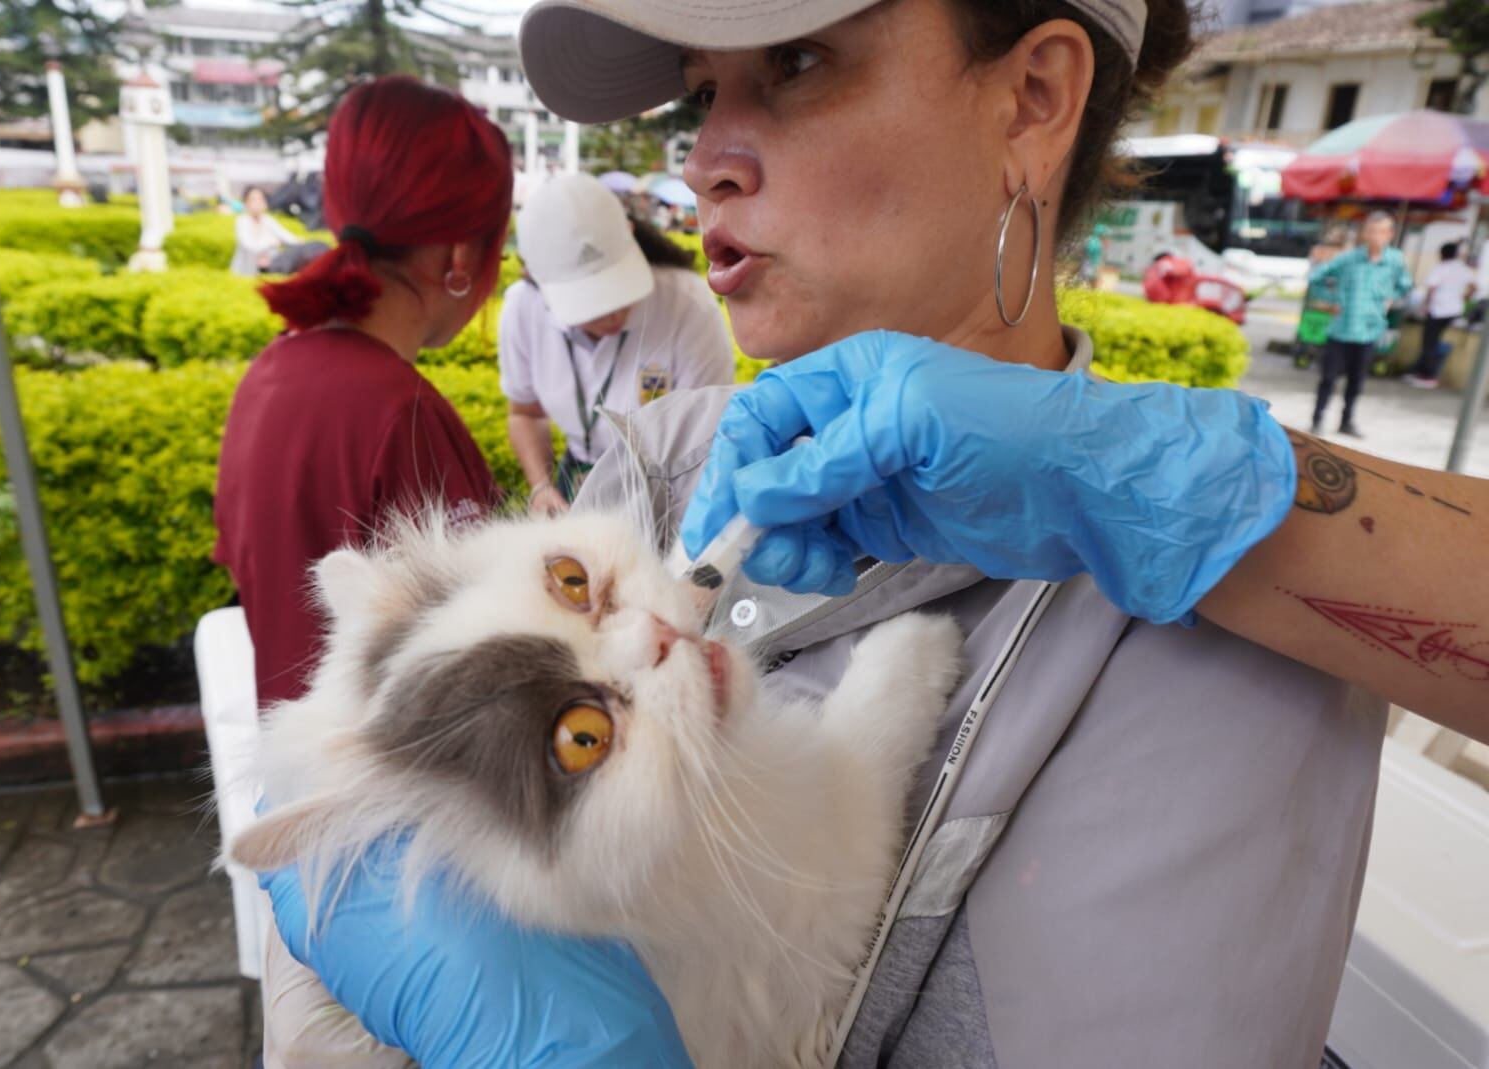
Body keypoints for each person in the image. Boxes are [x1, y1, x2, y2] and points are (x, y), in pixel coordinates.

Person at [254, 0, 1485, 1066]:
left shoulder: (1213, 636)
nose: (705, 163)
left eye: (794, 61)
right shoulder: (660, 454)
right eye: (698, 92)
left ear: (1033, 97)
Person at [214, 76, 512, 712]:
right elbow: (486, 653)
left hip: (299, 761)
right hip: (392, 789)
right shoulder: (402, 414)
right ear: (461, 255)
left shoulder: (269, 374)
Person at [500, 172, 734, 513]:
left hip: (668, 486)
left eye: (617, 289)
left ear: (630, 236)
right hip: (575, 477)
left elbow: (707, 438)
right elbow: (525, 412)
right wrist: (540, 486)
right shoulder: (522, 306)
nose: (610, 314)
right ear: (534, 278)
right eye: (589, 302)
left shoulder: (688, 304)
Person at [1307, 211, 1413, 437]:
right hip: (1342, 328)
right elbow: (1316, 277)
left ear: (1389, 234)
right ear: (1365, 233)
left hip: (1369, 330)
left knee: (1357, 381)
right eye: (1371, 231)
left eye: (1380, 232)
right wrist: (1331, 300)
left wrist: (1389, 298)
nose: (1375, 236)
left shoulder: (1394, 260)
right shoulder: (1349, 258)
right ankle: (1317, 419)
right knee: (1328, 379)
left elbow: (1405, 285)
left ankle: (1346, 421)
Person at [1407, 240, 1476, 388]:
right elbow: (1473, 287)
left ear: (1442, 254)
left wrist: (1425, 306)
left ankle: (1428, 375)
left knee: (1429, 343)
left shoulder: (1441, 268)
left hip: (1438, 310)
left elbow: (1431, 289)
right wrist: (1463, 298)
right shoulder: (1463, 269)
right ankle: (1419, 371)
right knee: (1433, 342)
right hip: (1454, 311)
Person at [230, 185, 301, 276]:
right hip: (246, 270)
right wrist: (271, 243)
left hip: (266, 269)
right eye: (253, 199)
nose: (257, 203)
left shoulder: (268, 220)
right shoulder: (242, 221)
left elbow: (286, 236)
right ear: (246, 202)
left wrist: (300, 243)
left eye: (260, 199)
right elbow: (249, 245)